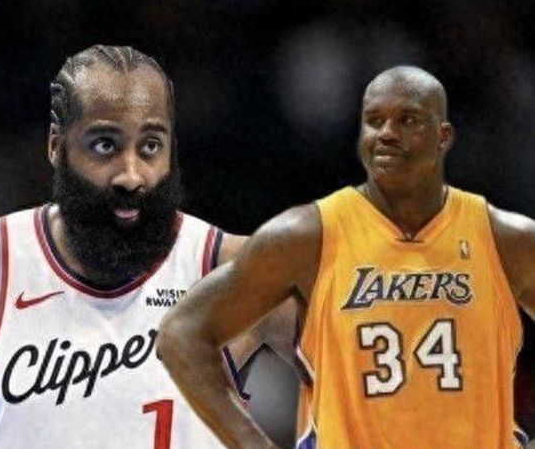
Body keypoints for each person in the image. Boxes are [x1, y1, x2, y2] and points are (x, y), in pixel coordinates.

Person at [0, 45, 294, 449]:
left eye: (150, 146)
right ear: (56, 146)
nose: (131, 174)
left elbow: (339, 397)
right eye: (105, 145)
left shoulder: (238, 272)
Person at [158, 66, 535, 449]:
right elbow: (181, 333)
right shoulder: (307, 236)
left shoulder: (505, 239)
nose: (387, 133)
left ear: (443, 136)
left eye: (408, 120)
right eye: (374, 121)